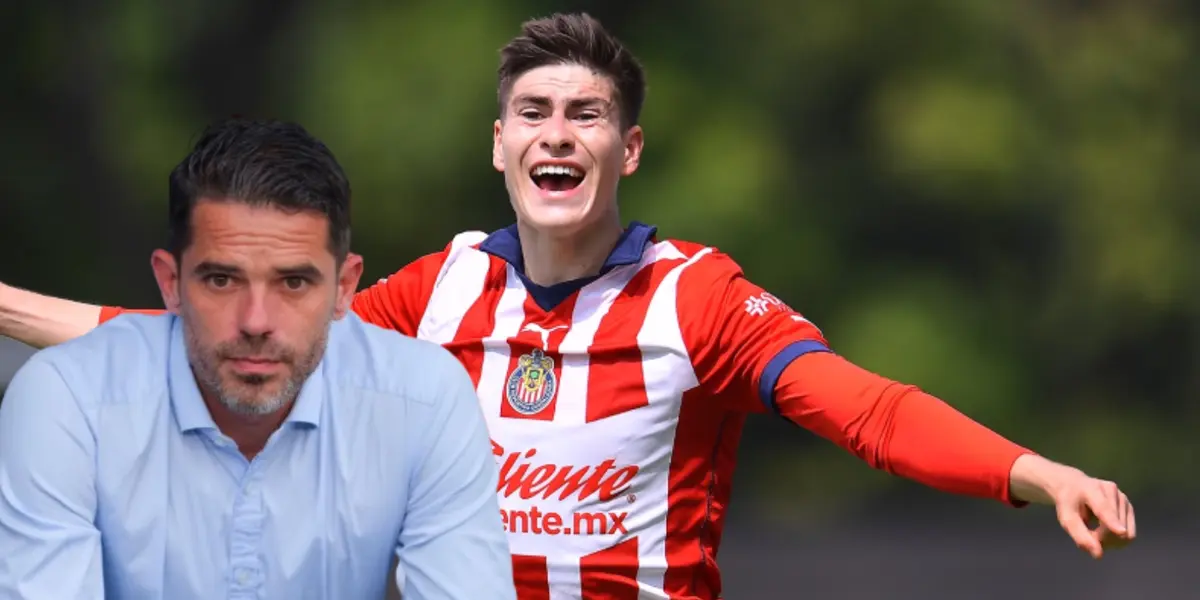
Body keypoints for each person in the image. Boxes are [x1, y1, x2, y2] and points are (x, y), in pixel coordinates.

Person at [0, 13, 1134, 600]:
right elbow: (200, 342)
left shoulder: (695, 298)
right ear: (498, 144)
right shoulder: (438, 292)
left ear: (625, 148)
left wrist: (1038, 473)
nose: (557, 132)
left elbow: (869, 412)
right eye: (533, 110)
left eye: (585, 114)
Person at [0, 118, 515, 599]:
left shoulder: (424, 400)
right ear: (170, 283)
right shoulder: (63, 401)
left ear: (345, 288)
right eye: (221, 280)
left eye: (294, 282)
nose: (255, 321)